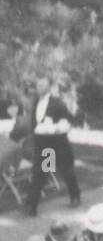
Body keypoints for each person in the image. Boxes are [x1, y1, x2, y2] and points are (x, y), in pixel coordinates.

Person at [24, 76, 81, 214]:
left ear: (49, 87)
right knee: (41, 172)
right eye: (38, 85)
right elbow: (34, 122)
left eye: (42, 85)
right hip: (44, 144)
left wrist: (56, 127)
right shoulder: (37, 101)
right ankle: (33, 205)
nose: (39, 88)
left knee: (66, 171)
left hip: (58, 143)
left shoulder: (57, 103)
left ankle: (75, 196)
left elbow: (69, 120)